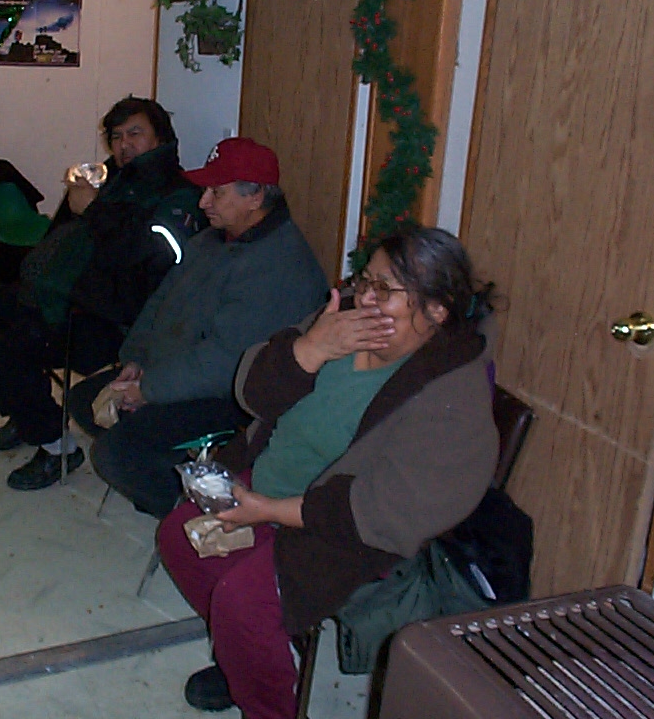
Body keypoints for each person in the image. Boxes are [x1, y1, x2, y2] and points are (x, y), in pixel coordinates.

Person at [156, 227, 499, 719]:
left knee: (242, 604)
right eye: (365, 281)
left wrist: (269, 511)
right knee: (179, 538)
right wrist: (309, 349)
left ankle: (265, 697)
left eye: (386, 290)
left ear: (436, 310)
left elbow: (388, 509)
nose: (365, 298)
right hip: (267, 481)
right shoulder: (341, 324)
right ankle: (247, 657)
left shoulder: (451, 389)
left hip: (347, 531)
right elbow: (251, 394)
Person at [0, 96, 203, 490]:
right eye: (116, 137)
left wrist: (94, 209)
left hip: (116, 317)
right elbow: (63, 240)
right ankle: (27, 415)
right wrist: (76, 206)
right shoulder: (115, 179)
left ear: (161, 138)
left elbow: (150, 258)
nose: (123, 145)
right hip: (67, 292)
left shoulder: (180, 195)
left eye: (135, 133)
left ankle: (58, 448)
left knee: (7, 350)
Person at [69, 137, 328, 517]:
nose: (203, 202)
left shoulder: (277, 265)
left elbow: (226, 363)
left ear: (255, 196)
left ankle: (197, 512)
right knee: (85, 401)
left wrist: (148, 390)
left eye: (216, 192)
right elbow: (161, 300)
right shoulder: (212, 239)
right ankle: (173, 476)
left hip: (234, 396)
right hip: (182, 372)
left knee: (117, 454)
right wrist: (135, 359)